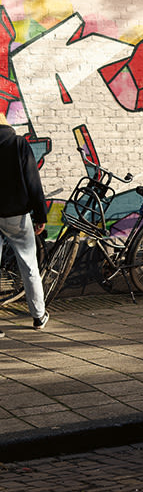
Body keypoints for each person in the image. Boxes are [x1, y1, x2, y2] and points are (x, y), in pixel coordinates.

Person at [0, 113, 49, 335]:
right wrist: (40, 214)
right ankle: (38, 316)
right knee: (29, 265)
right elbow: (33, 181)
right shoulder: (19, 143)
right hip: (16, 215)